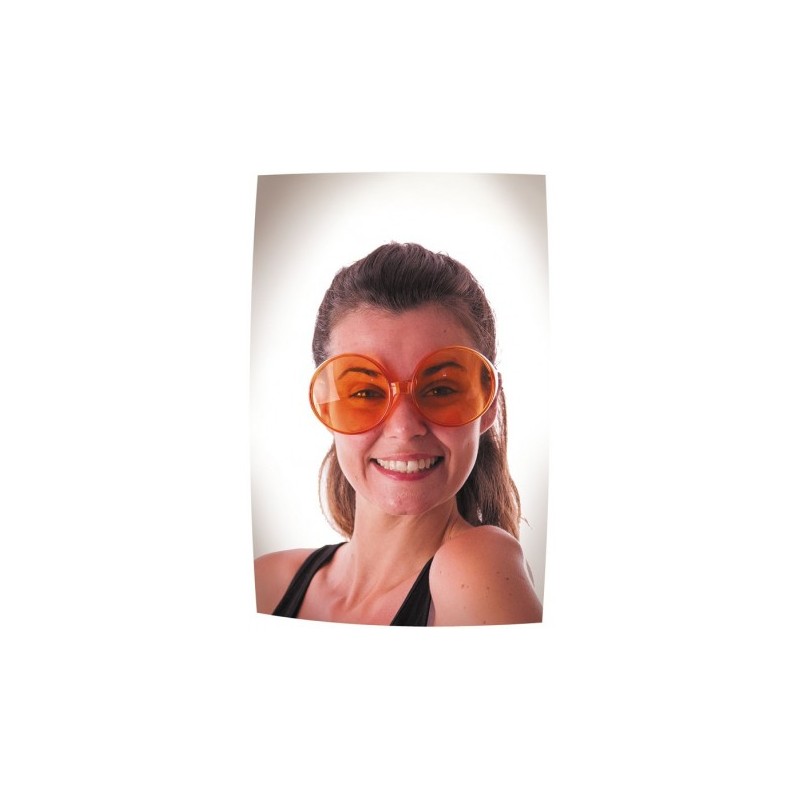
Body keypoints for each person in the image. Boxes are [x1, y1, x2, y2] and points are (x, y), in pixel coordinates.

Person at [254, 242, 543, 625]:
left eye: (441, 390)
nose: (405, 428)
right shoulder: (267, 583)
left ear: (488, 403)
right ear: (326, 405)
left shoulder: (476, 565)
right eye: (365, 392)